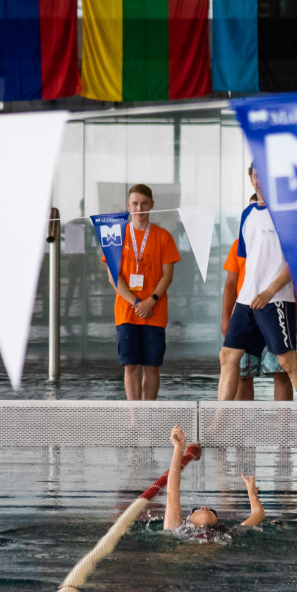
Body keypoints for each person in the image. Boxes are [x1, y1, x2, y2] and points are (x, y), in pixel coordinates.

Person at [219, 166, 297, 401]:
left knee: (287, 361)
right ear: (251, 178)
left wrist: (270, 291)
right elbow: (249, 261)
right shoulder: (247, 214)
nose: (260, 180)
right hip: (246, 300)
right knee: (227, 357)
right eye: (256, 174)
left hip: (275, 299)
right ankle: (218, 419)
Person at [104, 184, 180, 401]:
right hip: (127, 312)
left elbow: (167, 275)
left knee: (152, 367)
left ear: (152, 205)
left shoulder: (163, 237)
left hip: (154, 312)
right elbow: (113, 277)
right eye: (135, 203)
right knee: (130, 367)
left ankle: (148, 414)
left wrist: (150, 301)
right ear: (128, 206)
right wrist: (136, 303)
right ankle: (134, 417)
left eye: (144, 203)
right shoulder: (116, 235)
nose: (140, 208)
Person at [221, 203, 293, 401]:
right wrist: (226, 318)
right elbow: (231, 283)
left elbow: (293, 279)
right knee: (243, 373)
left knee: (281, 370)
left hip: (273, 308)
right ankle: (235, 420)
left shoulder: (278, 242)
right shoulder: (239, 245)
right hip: (246, 312)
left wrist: (293, 315)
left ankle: (285, 422)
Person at [163, 425, 265, 538]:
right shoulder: (176, 531)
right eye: (197, 510)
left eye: (212, 511)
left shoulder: (226, 534)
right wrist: (178, 448)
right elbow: (258, 514)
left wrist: (252, 494)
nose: (205, 507)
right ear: (188, 521)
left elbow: (172, 494)